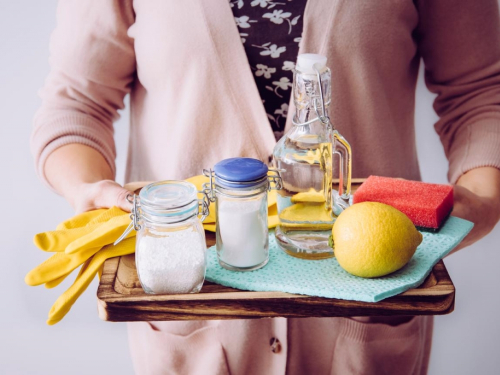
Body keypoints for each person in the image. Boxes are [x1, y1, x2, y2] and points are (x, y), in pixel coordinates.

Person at [31, 1, 500, 374]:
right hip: (191, 303)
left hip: (369, 305)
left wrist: (483, 197)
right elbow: (78, 100)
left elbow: (480, 91)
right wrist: (90, 188)